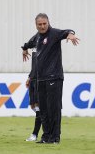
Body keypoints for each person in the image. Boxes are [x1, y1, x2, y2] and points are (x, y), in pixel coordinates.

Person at [22, 13, 79, 144]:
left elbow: (67, 32)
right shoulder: (37, 37)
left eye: (44, 24)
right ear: (36, 25)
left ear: (48, 22)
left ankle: (55, 138)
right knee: (43, 109)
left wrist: (70, 35)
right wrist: (24, 49)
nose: (42, 26)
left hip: (54, 77)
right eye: (39, 24)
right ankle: (46, 137)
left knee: (54, 108)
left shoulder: (54, 33)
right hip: (40, 79)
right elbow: (28, 43)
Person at [24, 35, 42, 142]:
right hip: (33, 78)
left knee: (39, 108)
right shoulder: (35, 41)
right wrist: (29, 77)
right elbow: (34, 65)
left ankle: (35, 134)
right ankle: (46, 125)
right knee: (33, 106)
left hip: (41, 79)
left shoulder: (47, 45)